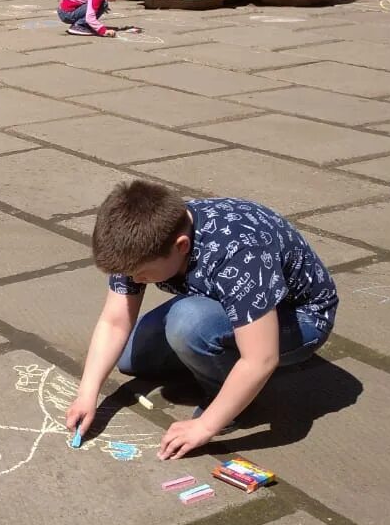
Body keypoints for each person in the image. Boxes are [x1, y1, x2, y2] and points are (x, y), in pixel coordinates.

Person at [64, 181, 336, 461]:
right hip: (227, 301)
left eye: (141, 273)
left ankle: (229, 399)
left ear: (181, 246)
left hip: (298, 319)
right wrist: (87, 393)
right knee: (130, 358)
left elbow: (261, 359)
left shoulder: (238, 253)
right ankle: (212, 356)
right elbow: (115, 322)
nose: (133, 281)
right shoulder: (144, 240)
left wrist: (206, 426)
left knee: (189, 324)